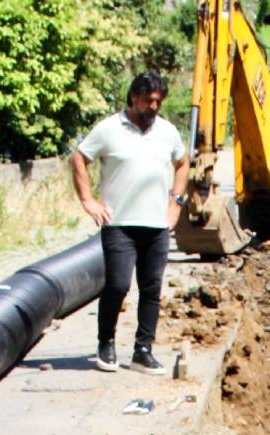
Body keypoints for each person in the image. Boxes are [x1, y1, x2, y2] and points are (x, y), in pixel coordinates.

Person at [71, 71, 190, 375]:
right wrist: (88, 200)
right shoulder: (109, 129)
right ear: (134, 97)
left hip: (156, 225)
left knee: (151, 288)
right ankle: (106, 343)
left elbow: (182, 162)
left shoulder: (166, 131)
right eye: (148, 100)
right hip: (119, 223)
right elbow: (79, 158)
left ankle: (143, 351)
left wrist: (176, 202)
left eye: (158, 101)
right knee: (118, 285)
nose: (153, 106)